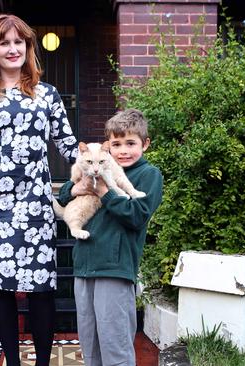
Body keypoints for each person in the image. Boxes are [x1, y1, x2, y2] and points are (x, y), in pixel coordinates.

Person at [0, 14, 78, 366]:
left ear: (28, 47)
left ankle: (41, 363)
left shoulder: (47, 94)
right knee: (0, 292)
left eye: (18, 42)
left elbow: (70, 148)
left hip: (36, 206)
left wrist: (105, 163)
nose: (12, 49)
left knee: (41, 291)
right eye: (4, 42)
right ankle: (11, 360)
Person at [57, 108, 163, 365]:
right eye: (116, 144)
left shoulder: (148, 175)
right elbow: (64, 196)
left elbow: (137, 215)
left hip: (115, 268)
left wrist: (105, 192)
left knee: (115, 346)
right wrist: (75, 188)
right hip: (84, 265)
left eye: (131, 143)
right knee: (90, 346)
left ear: (145, 144)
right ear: (107, 148)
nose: (123, 150)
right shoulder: (96, 167)